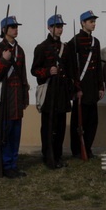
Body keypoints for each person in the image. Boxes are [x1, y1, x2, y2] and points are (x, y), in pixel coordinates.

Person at [0, 15, 30, 178]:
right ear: (4, 30)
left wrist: (25, 97)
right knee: (5, 135)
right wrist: (4, 61)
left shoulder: (20, 50)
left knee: (15, 135)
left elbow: (23, 75)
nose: (15, 29)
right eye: (12, 27)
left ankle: (13, 164)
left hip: (17, 98)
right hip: (5, 99)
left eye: (16, 27)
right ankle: (5, 165)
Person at [31, 13, 74, 169]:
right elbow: (34, 70)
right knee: (48, 126)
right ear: (49, 28)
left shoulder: (65, 48)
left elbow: (69, 70)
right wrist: (48, 71)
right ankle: (48, 156)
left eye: (61, 26)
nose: (59, 29)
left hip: (62, 92)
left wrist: (71, 89)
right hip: (49, 92)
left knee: (60, 126)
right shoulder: (42, 48)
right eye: (56, 26)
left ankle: (57, 155)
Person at [67, 10, 104, 159]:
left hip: (93, 88)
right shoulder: (74, 42)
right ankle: (77, 150)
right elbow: (71, 68)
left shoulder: (96, 42)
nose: (93, 24)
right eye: (91, 21)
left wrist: (100, 87)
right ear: (83, 23)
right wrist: (76, 88)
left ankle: (87, 148)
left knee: (92, 121)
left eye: (94, 21)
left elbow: (98, 67)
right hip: (81, 88)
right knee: (78, 121)